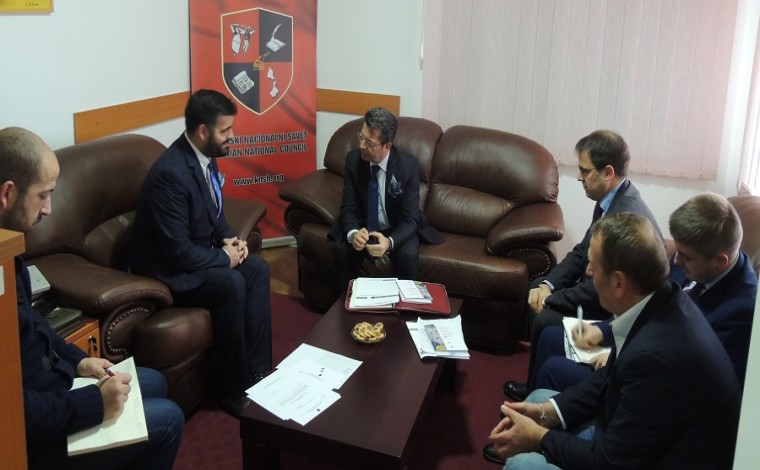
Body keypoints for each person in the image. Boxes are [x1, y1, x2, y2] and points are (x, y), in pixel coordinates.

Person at [486, 213, 741, 469]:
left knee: (522, 464)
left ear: (618, 282)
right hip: (637, 439)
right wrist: (548, 412)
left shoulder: (656, 359)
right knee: (539, 399)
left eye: (593, 265)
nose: (588, 272)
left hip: (660, 459)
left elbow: (610, 463)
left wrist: (539, 438)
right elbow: (605, 381)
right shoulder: (661, 300)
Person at [0, 127, 184, 470]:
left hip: (51, 389)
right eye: (43, 195)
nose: (48, 209)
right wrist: (93, 404)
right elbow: (9, 412)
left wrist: (78, 362)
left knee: (152, 382)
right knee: (168, 419)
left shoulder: (9, 250)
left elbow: (35, 326)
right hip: (30, 436)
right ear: (8, 193)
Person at [128, 89, 272, 417]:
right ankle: (232, 390)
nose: (232, 136)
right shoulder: (170, 175)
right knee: (231, 283)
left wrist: (230, 240)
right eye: (226, 130)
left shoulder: (203, 157)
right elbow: (177, 252)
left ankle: (258, 372)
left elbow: (213, 212)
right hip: (166, 272)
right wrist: (223, 258)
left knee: (257, 269)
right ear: (203, 131)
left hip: (193, 257)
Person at [527, 192, 757, 395]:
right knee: (550, 337)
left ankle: (543, 419)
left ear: (720, 261)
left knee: (554, 369)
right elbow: (651, 306)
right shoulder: (698, 259)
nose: (676, 261)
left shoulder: (742, 311)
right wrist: (603, 331)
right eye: (678, 251)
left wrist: (618, 355)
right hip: (638, 342)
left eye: (686, 257)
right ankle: (531, 403)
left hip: (658, 379)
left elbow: (702, 384)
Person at [503, 130, 662, 402]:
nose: (579, 177)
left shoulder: (624, 215)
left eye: (585, 171)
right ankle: (536, 384)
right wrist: (548, 285)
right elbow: (581, 253)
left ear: (608, 172)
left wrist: (552, 298)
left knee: (545, 316)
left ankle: (541, 391)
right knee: (537, 288)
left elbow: (603, 288)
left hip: (612, 309)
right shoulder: (611, 200)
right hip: (600, 292)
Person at [329, 107, 442, 291]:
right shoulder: (353, 160)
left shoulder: (407, 166)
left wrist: (389, 242)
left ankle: (404, 307)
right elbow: (348, 208)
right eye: (361, 136)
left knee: (408, 256)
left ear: (387, 146)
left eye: (369, 142)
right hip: (364, 226)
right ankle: (344, 304)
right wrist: (354, 233)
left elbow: (410, 218)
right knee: (341, 249)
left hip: (396, 227)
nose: (361, 145)